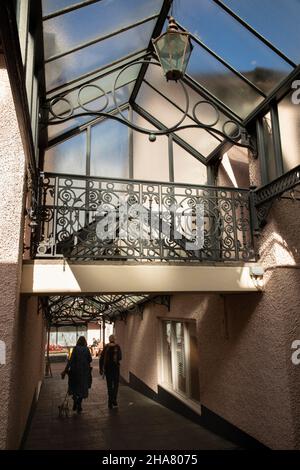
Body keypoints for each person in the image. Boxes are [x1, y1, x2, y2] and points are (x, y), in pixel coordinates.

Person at [62, 336, 92, 413]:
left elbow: (70, 360)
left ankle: (75, 401)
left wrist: (65, 370)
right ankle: (79, 403)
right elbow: (90, 359)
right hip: (84, 373)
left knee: (74, 388)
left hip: (74, 372)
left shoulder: (75, 349)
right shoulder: (86, 349)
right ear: (84, 342)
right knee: (82, 389)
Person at [99, 334, 122, 409]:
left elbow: (101, 358)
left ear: (109, 339)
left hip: (108, 369)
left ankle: (110, 402)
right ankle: (114, 399)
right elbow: (120, 357)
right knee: (115, 385)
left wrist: (101, 369)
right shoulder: (117, 347)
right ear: (114, 339)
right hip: (115, 369)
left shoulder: (106, 347)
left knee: (109, 385)